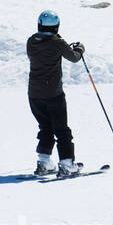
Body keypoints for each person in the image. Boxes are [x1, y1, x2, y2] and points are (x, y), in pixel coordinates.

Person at [27, 10, 84, 177]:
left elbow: (46, 48)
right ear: (56, 27)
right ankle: (67, 163)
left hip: (34, 94)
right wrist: (80, 49)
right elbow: (74, 57)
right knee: (61, 129)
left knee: (45, 127)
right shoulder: (57, 43)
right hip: (53, 93)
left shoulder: (31, 41)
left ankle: (44, 162)